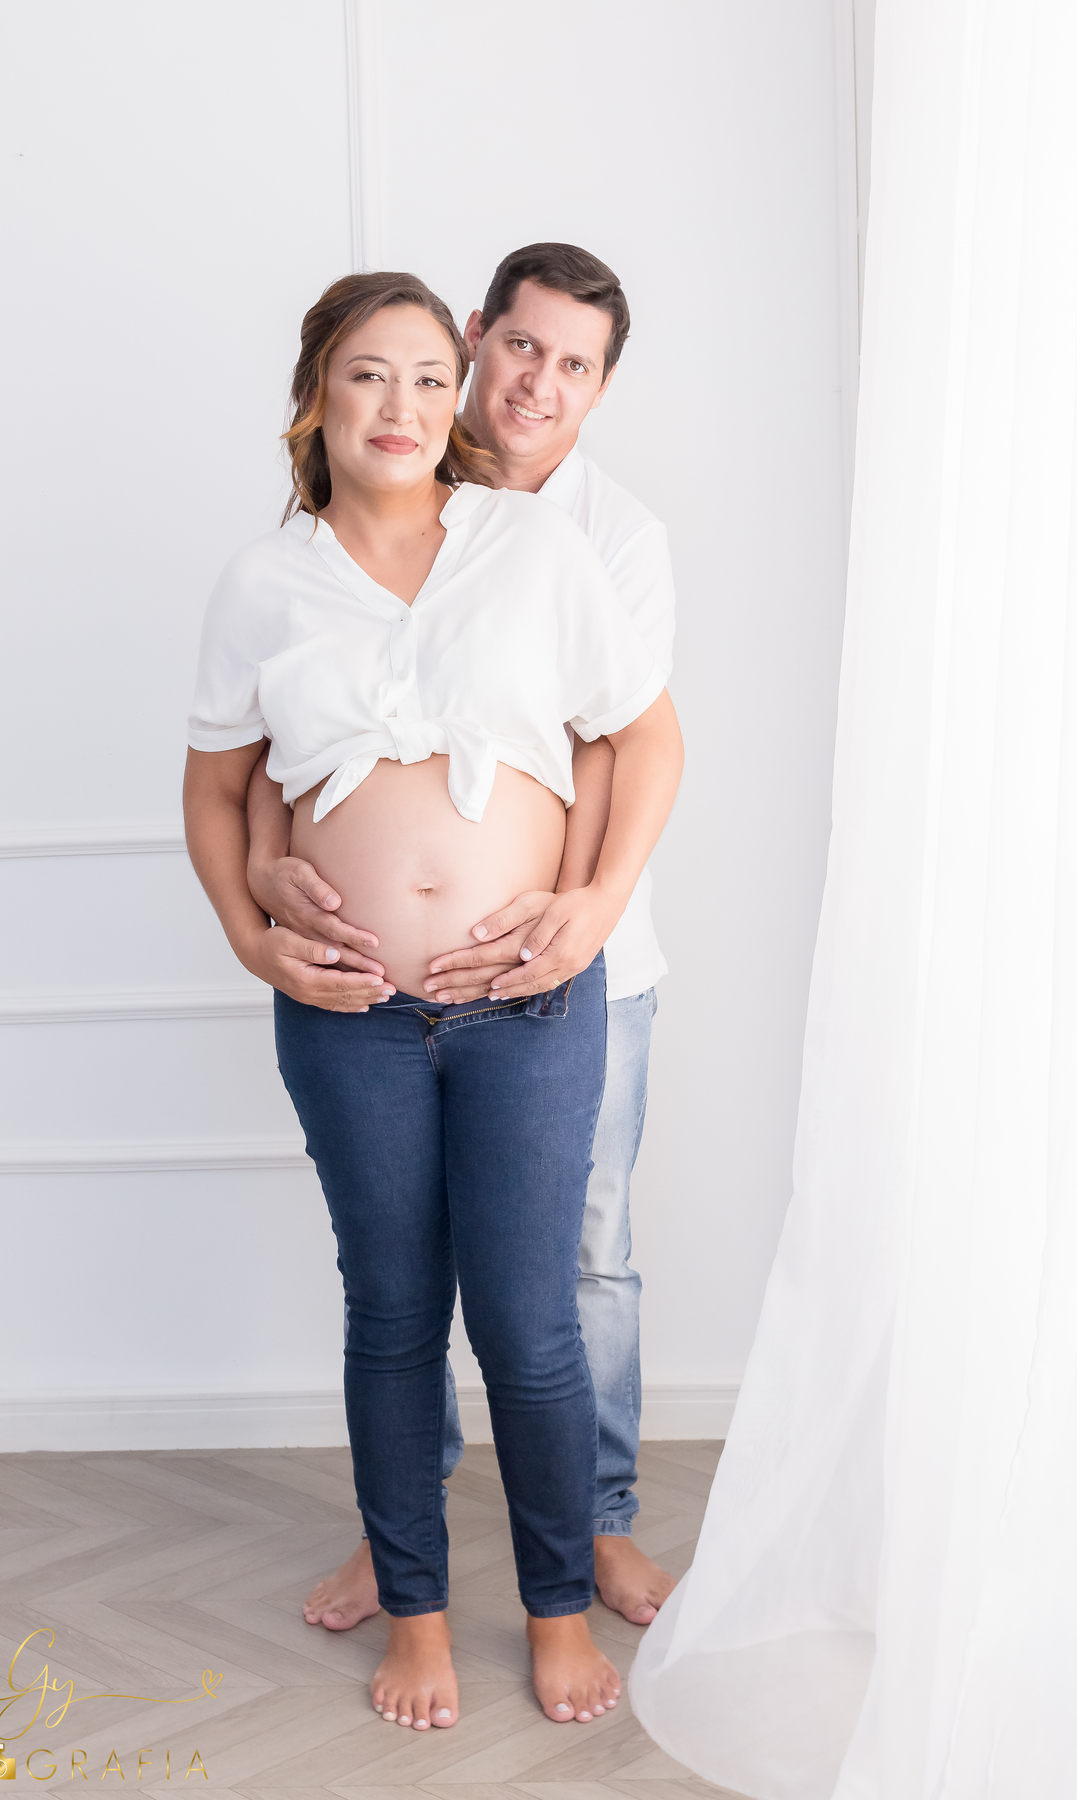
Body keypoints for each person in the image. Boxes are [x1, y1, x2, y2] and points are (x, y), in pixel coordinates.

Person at [183, 272, 682, 1731]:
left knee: (530, 1323)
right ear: (316, 400)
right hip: (349, 1013)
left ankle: (549, 1605)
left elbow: (644, 739)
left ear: (444, 390)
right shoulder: (263, 580)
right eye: (364, 377)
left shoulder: (533, 546)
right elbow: (218, 786)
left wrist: (588, 914)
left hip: (528, 1004)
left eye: (419, 377)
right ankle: (416, 1615)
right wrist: (245, 933)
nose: (398, 407)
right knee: (393, 1314)